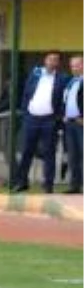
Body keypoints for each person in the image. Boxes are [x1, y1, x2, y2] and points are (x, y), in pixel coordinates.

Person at [10, 50, 68, 193]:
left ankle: (48, 185)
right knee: (26, 151)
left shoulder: (62, 78)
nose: (52, 62)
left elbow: (63, 100)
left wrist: (57, 118)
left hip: (49, 120)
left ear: (58, 63)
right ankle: (22, 182)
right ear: (45, 60)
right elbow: (26, 93)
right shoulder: (35, 74)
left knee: (49, 153)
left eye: (55, 60)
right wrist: (25, 112)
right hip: (31, 118)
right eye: (49, 59)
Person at [62, 53, 84, 194]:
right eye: (72, 66)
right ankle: (74, 185)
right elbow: (66, 99)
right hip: (70, 123)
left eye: (77, 65)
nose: (74, 68)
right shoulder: (71, 82)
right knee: (73, 155)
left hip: (81, 122)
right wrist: (65, 114)